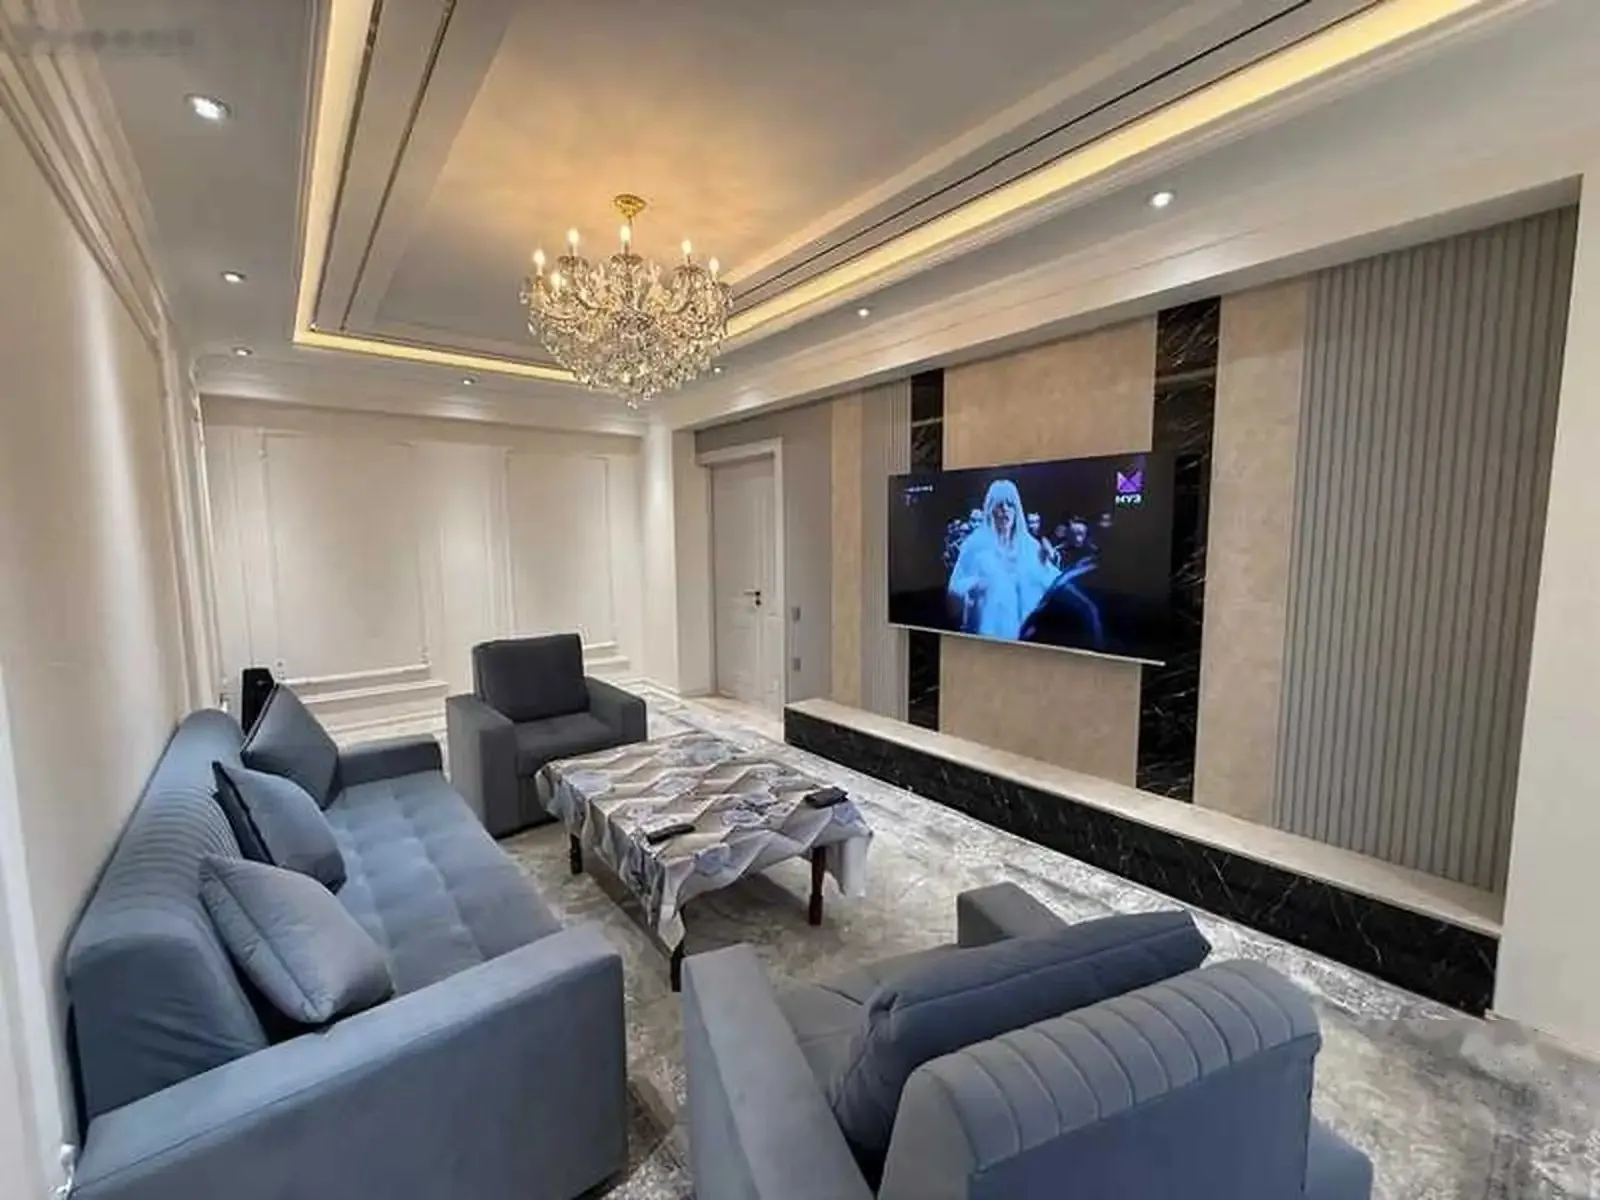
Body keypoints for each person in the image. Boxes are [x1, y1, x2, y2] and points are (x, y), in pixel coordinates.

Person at [946, 479, 1060, 639]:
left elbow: (1053, 587)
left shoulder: (1030, 546)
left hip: (1025, 639)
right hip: (986, 637)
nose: (1005, 509)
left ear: (1017, 509)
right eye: (999, 505)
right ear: (990, 509)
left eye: (1010, 504)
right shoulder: (975, 545)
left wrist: (1046, 562)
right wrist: (975, 584)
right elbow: (954, 589)